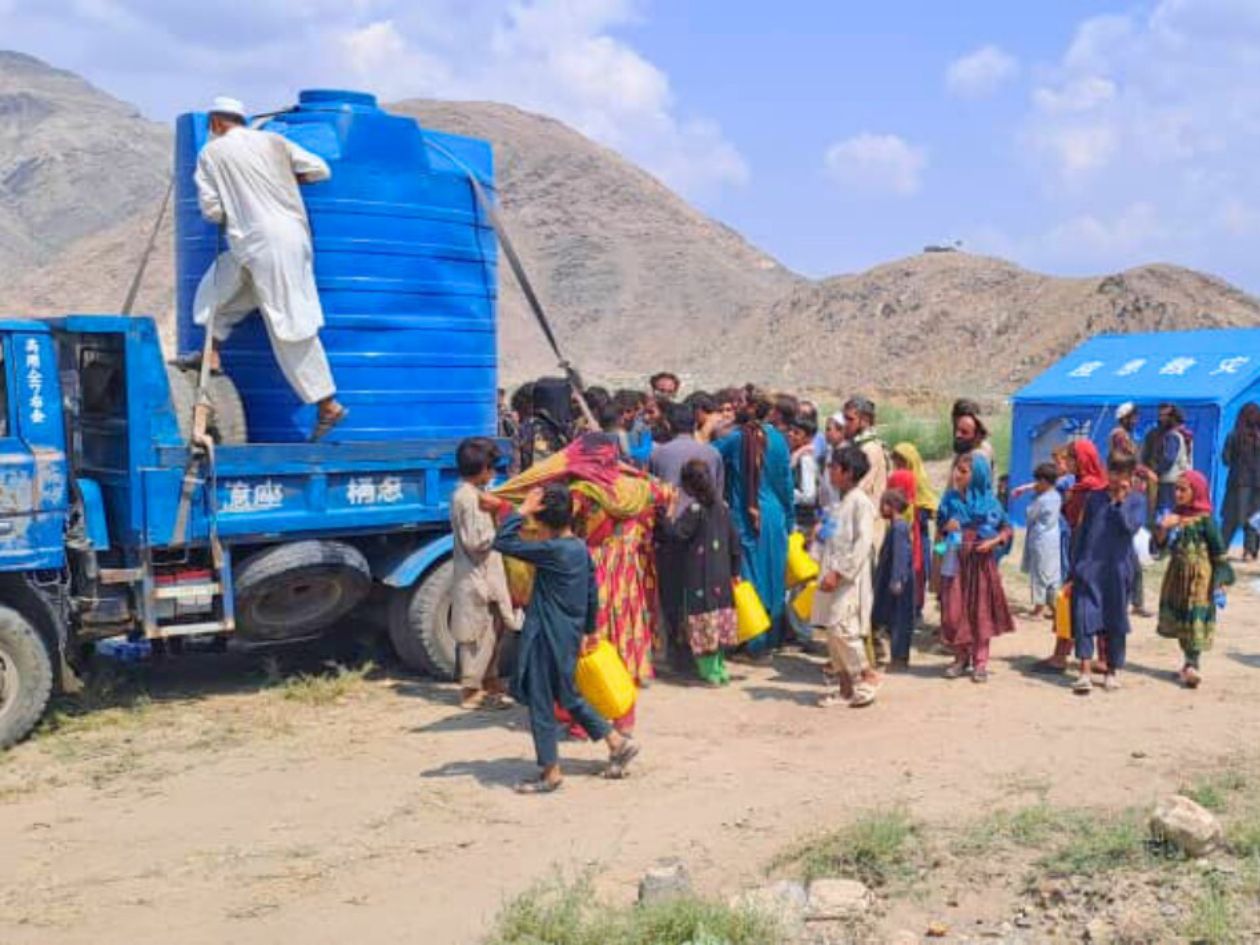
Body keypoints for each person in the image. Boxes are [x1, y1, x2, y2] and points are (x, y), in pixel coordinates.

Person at [192, 96, 348, 442]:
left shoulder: (211, 154)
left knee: (288, 325)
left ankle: (327, 403)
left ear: (216, 123)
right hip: (284, 238)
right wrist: (288, 182)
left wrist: (237, 201)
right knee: (218, 290)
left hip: (259, 240)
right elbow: (321, 169)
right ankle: (210, 353)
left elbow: (212, 210)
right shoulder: (274, 141)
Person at [485, 484, 640, 793]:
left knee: (541, 702)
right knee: (567, 696)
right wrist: (589, 630)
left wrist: (522, 509)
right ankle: (617, 741)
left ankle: (551, 773)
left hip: (546, 636)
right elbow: (591, 591)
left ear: (541, 521)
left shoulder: (553, 551)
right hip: (569, 634)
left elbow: (502, 542)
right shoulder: (579, 548)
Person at [715, 390, 793, 659]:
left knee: (749, 579)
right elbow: (786, 484)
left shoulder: (738, 439)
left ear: (749, 408)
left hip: (747, 517)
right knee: (774, 577)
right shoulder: (780, 440)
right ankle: (771, 639)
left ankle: (755, 643)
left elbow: (708, 456)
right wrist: (789, 519)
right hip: (775, 515)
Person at [657, 460, 742, 686]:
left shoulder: (694, 510)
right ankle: (720, 668)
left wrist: (667, 511)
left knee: (703, 619)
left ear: (689, 486)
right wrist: (736, 571)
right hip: (722, 576)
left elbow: (675, 535)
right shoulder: (723, 507)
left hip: (699, 577)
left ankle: (709, 672)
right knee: (718, 618)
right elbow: (735, 541)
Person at [1069, 454, 1147, 694]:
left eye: (1122, 474)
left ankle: (1112, 671)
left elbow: (1130, 528)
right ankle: (1084, 672)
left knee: (1114, 620)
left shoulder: (1136, 501)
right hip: (1089, 567)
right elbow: (1082, 532)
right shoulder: (1094, 498)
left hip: (1117, 569)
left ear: (1131, 476)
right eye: (1112, 472)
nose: (1115, 479)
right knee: (1083, 617)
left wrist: (1120, 503)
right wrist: (1074, 567)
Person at [450, 438, 517, 709]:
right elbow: (477, 541)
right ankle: (471, 689)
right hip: (477, 576)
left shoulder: (473, 492)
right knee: (477, 633)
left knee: (493, 630)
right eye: (492, 468)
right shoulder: (470, 498)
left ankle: (490, 680)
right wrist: (505, 520)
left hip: (485, 574)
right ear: (483, 468)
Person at [812, 446, 880, 707]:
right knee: (832, 631)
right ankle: (844, 688)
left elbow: (862, 543)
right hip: (830, 574)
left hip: (848, 579)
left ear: (848, 472)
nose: (830, 472)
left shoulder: (860, 502)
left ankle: (866, 676)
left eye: (834, 468)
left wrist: (839, 572)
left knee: (843, 628)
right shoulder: (841, 502)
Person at [937, 453, 1014, 683]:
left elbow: (1006, 529)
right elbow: (941, 527)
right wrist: (946, 527)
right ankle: (961, 657)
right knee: (954, 611)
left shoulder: (990, 503)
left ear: (977, 475)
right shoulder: (949, 500)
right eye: (956, 470)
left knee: (980, 611)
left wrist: (992, 542)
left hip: (981, 564)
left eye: (963, 471)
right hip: (956, 561)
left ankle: (980, 662)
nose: (956, 475)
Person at [1155, 471, 1235, 688]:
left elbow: (1219, 553)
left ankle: (1193, 664)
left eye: (1183, 489)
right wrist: (1163, 528)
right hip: (1178, 575)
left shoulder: (1206, 521)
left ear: (1196, 492)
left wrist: (1219, 582)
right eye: (1176, 489)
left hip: (1200, 578)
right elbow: (1160, 549)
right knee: (1182, 617)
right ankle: (1187, 663)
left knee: (1195, 617)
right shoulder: (1174, 516)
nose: (1178, 493)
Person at [1035, 439, 1109, 673]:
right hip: (1080, 547)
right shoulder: (1082, 486)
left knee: (1076, 599)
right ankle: (1065, 652)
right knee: (1074, 600)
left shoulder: (1091, 488)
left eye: (1073, 458)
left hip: (1089, 551)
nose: (1069, 463)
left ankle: (1066, 655)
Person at [891, 442, 939, 614]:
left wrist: (914, 511)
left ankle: (916, 606)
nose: (899, 465)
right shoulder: (897, 478)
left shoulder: (920, 481)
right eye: (896, 461)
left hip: (920, 533)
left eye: (902, 461)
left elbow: (930, 508)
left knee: (919, 570)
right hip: (902, 530)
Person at [873, 488, 915, 671]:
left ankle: (899, 659)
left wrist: (897, 579)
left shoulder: (899, 528)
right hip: (893, 581)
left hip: (899, 582)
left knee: (900, 620)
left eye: (883, 504)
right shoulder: (897, 525)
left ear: (891, 506)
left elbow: (901, 555)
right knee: (892, 619)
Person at [1021, 462, 1063, 619]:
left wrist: (1033, 494)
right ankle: (1055, 608)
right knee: (1052, 575)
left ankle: (1038, 609)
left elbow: (1030, 514)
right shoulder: (1057, 496)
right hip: (1053, 540)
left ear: (1044, 481)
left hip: (1041, 540)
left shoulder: (1042, 499)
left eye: (1038, 481)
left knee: (1039, 574)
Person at [1220, 403, 1260, 558]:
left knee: (1230, 518)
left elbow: (1226, 459)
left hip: (1237, 483)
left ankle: (1221, 549)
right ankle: (1249, 551)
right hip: (1258, 484)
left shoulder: (1233, 436)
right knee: (1254, 517)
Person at [1151, 403, 1193, 514]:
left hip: (1169, 480)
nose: (1161, 419)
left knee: (1165, 511)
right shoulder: (1182, 435)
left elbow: (1169, 459)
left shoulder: (1172, 436)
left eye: (1165, 416)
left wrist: (1156, 471)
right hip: (1178, 477)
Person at [787, 417, 821, 533]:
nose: (791, 434)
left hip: (801, 523)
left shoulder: (805, 459)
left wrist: (785, 492)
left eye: (796, 433)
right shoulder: (795, 455)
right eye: (790, 430)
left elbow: (808, 496)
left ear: (808, 438)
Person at [951, 399, 996, 474]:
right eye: (956, 428)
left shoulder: (979, 456)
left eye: (964, 431)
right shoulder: (965, 448)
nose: (957, 435)